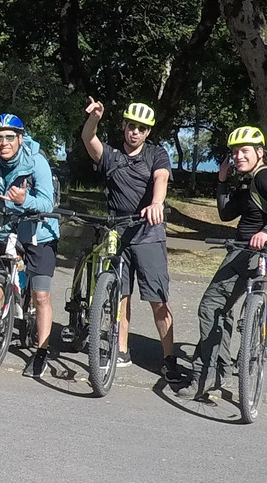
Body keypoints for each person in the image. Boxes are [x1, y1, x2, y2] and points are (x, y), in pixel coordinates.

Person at [0, 113, 60, 378]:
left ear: (20, 138)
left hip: (41, 233)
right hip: (10, 229)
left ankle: (41, 352)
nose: (3, 143)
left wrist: (24, 200)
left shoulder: (36, 161)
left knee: (40, 295)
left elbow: (47, 203)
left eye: (9, 137)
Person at [81, 99, 176, 374]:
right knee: (120, 294)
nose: (135, 132)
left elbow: (161, 178)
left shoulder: (156, 154)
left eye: (141, 129)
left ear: (148, 132)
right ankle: (121, 349)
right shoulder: (112, 155)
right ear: (124, 126)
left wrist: (156, 204)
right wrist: (94, 118)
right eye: (131, 126)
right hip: (118, 232)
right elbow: (89, 139)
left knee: (158, 298)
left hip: (148, 233)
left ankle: (169, 358)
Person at [177, 127, 267, 400]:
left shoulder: (263, 177)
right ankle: (217, 371)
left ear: (260, 152)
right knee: (219, 308)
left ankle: (206, 376)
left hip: (253, 254)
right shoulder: (249, 182)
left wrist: (265, 232)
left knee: (212, 306)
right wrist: (222, 180)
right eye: (235, 152)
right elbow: (226, 213)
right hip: (244, 251)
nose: (238, 156)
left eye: (245, 151)